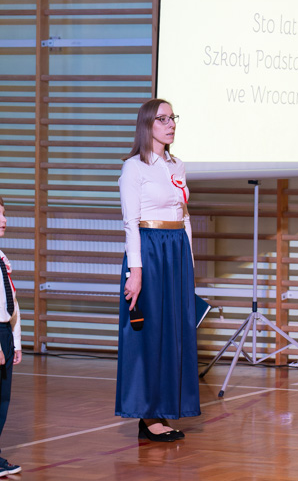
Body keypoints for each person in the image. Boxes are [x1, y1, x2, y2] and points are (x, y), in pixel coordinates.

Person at [117, 98, 200, 442]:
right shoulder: (134, 168)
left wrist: (189, 264)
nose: (171, 124)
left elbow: (185, 217)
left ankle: (163, 407)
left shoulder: (177, 165)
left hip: (175, 250)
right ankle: (147, 415)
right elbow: (130, 223)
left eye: (173, 118)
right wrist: (135, 272)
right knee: (147, 334)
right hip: (149, 251)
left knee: (174, 332)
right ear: (147, 125)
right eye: (163, 119)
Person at [0, 197, 23, 476]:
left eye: (4, 214)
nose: (4, 220)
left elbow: (12, 303)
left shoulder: (3, 257)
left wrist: (15, 341)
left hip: (4, 331)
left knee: (2, 400)